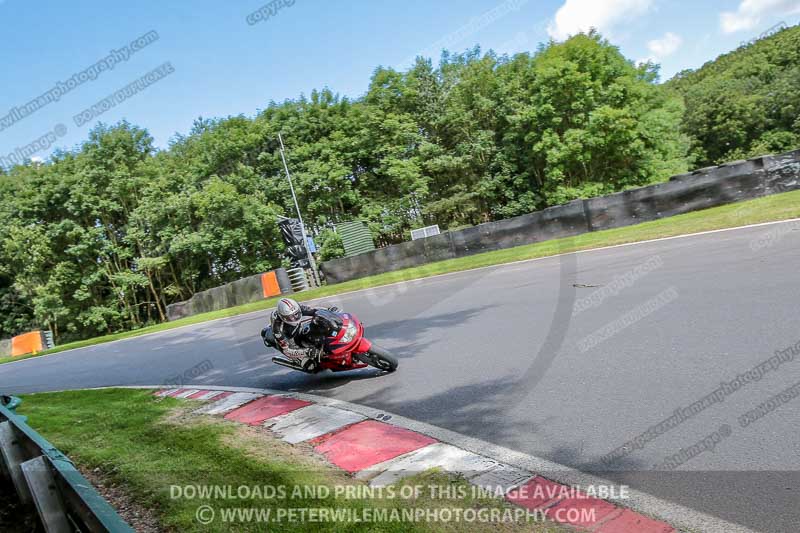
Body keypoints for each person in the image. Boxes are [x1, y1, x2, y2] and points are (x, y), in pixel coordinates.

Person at [261, 298, 338, 361]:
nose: (295, 318)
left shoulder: (296, 308)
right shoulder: (277, 329)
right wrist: (306, 352)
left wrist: (329, 310)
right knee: (304, 358)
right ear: (283, 317)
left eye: (296, 314)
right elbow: (287, 350)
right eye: (291, 317)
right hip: (286, 333)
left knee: (316, 323)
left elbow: (314, 310)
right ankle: (302, 361)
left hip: (291, 320)